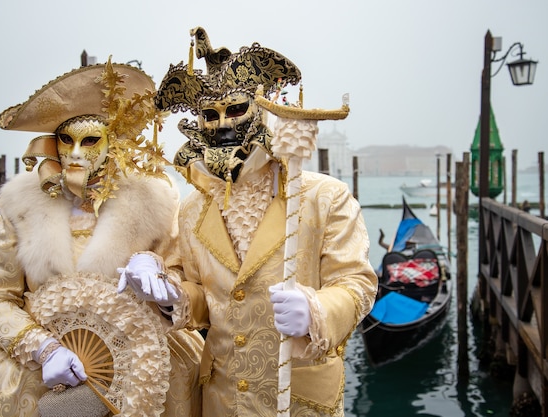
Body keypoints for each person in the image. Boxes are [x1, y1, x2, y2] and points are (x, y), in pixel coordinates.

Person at [118, 28, 378, 416]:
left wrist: (317, 310)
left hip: (297, 398)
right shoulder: (192, 209)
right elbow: (204, 298)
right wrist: (173, 297)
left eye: (235, 109)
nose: (223, 125)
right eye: (210, 115)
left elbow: (357, 284)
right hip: (222, 399)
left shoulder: (325, 197)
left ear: (260, 109)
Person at [0, 60, 203, 417]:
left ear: (112, 142)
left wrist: (160, 279)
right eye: (66, 140)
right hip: (37, 362)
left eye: (90, 141)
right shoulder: (21, 204)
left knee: (176, 376)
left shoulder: (154, 199)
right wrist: (43, 349)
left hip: (138, 352)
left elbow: (184, 281)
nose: (76, 153)